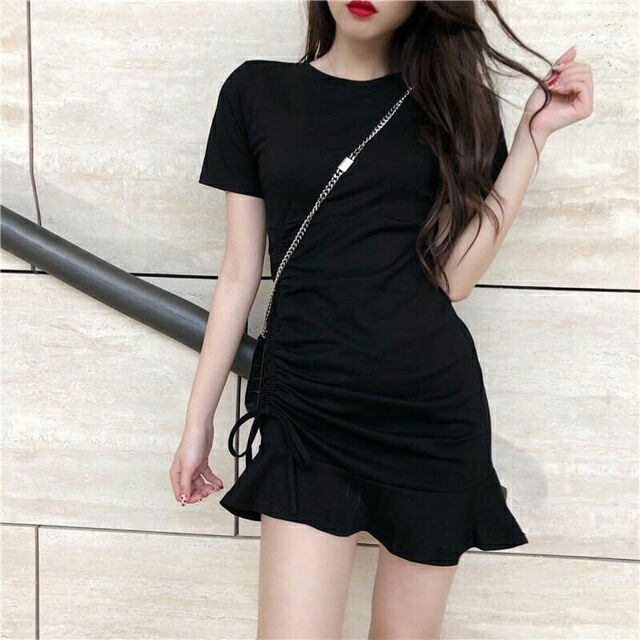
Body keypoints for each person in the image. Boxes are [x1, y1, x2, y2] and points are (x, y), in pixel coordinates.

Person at [170, 1, 593, 637]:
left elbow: (455, 278)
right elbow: (238, 274)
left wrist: (533, 136)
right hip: (308, 408)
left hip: (428, 413)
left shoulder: (455, 105)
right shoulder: (256, 91)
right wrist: (198, 421)